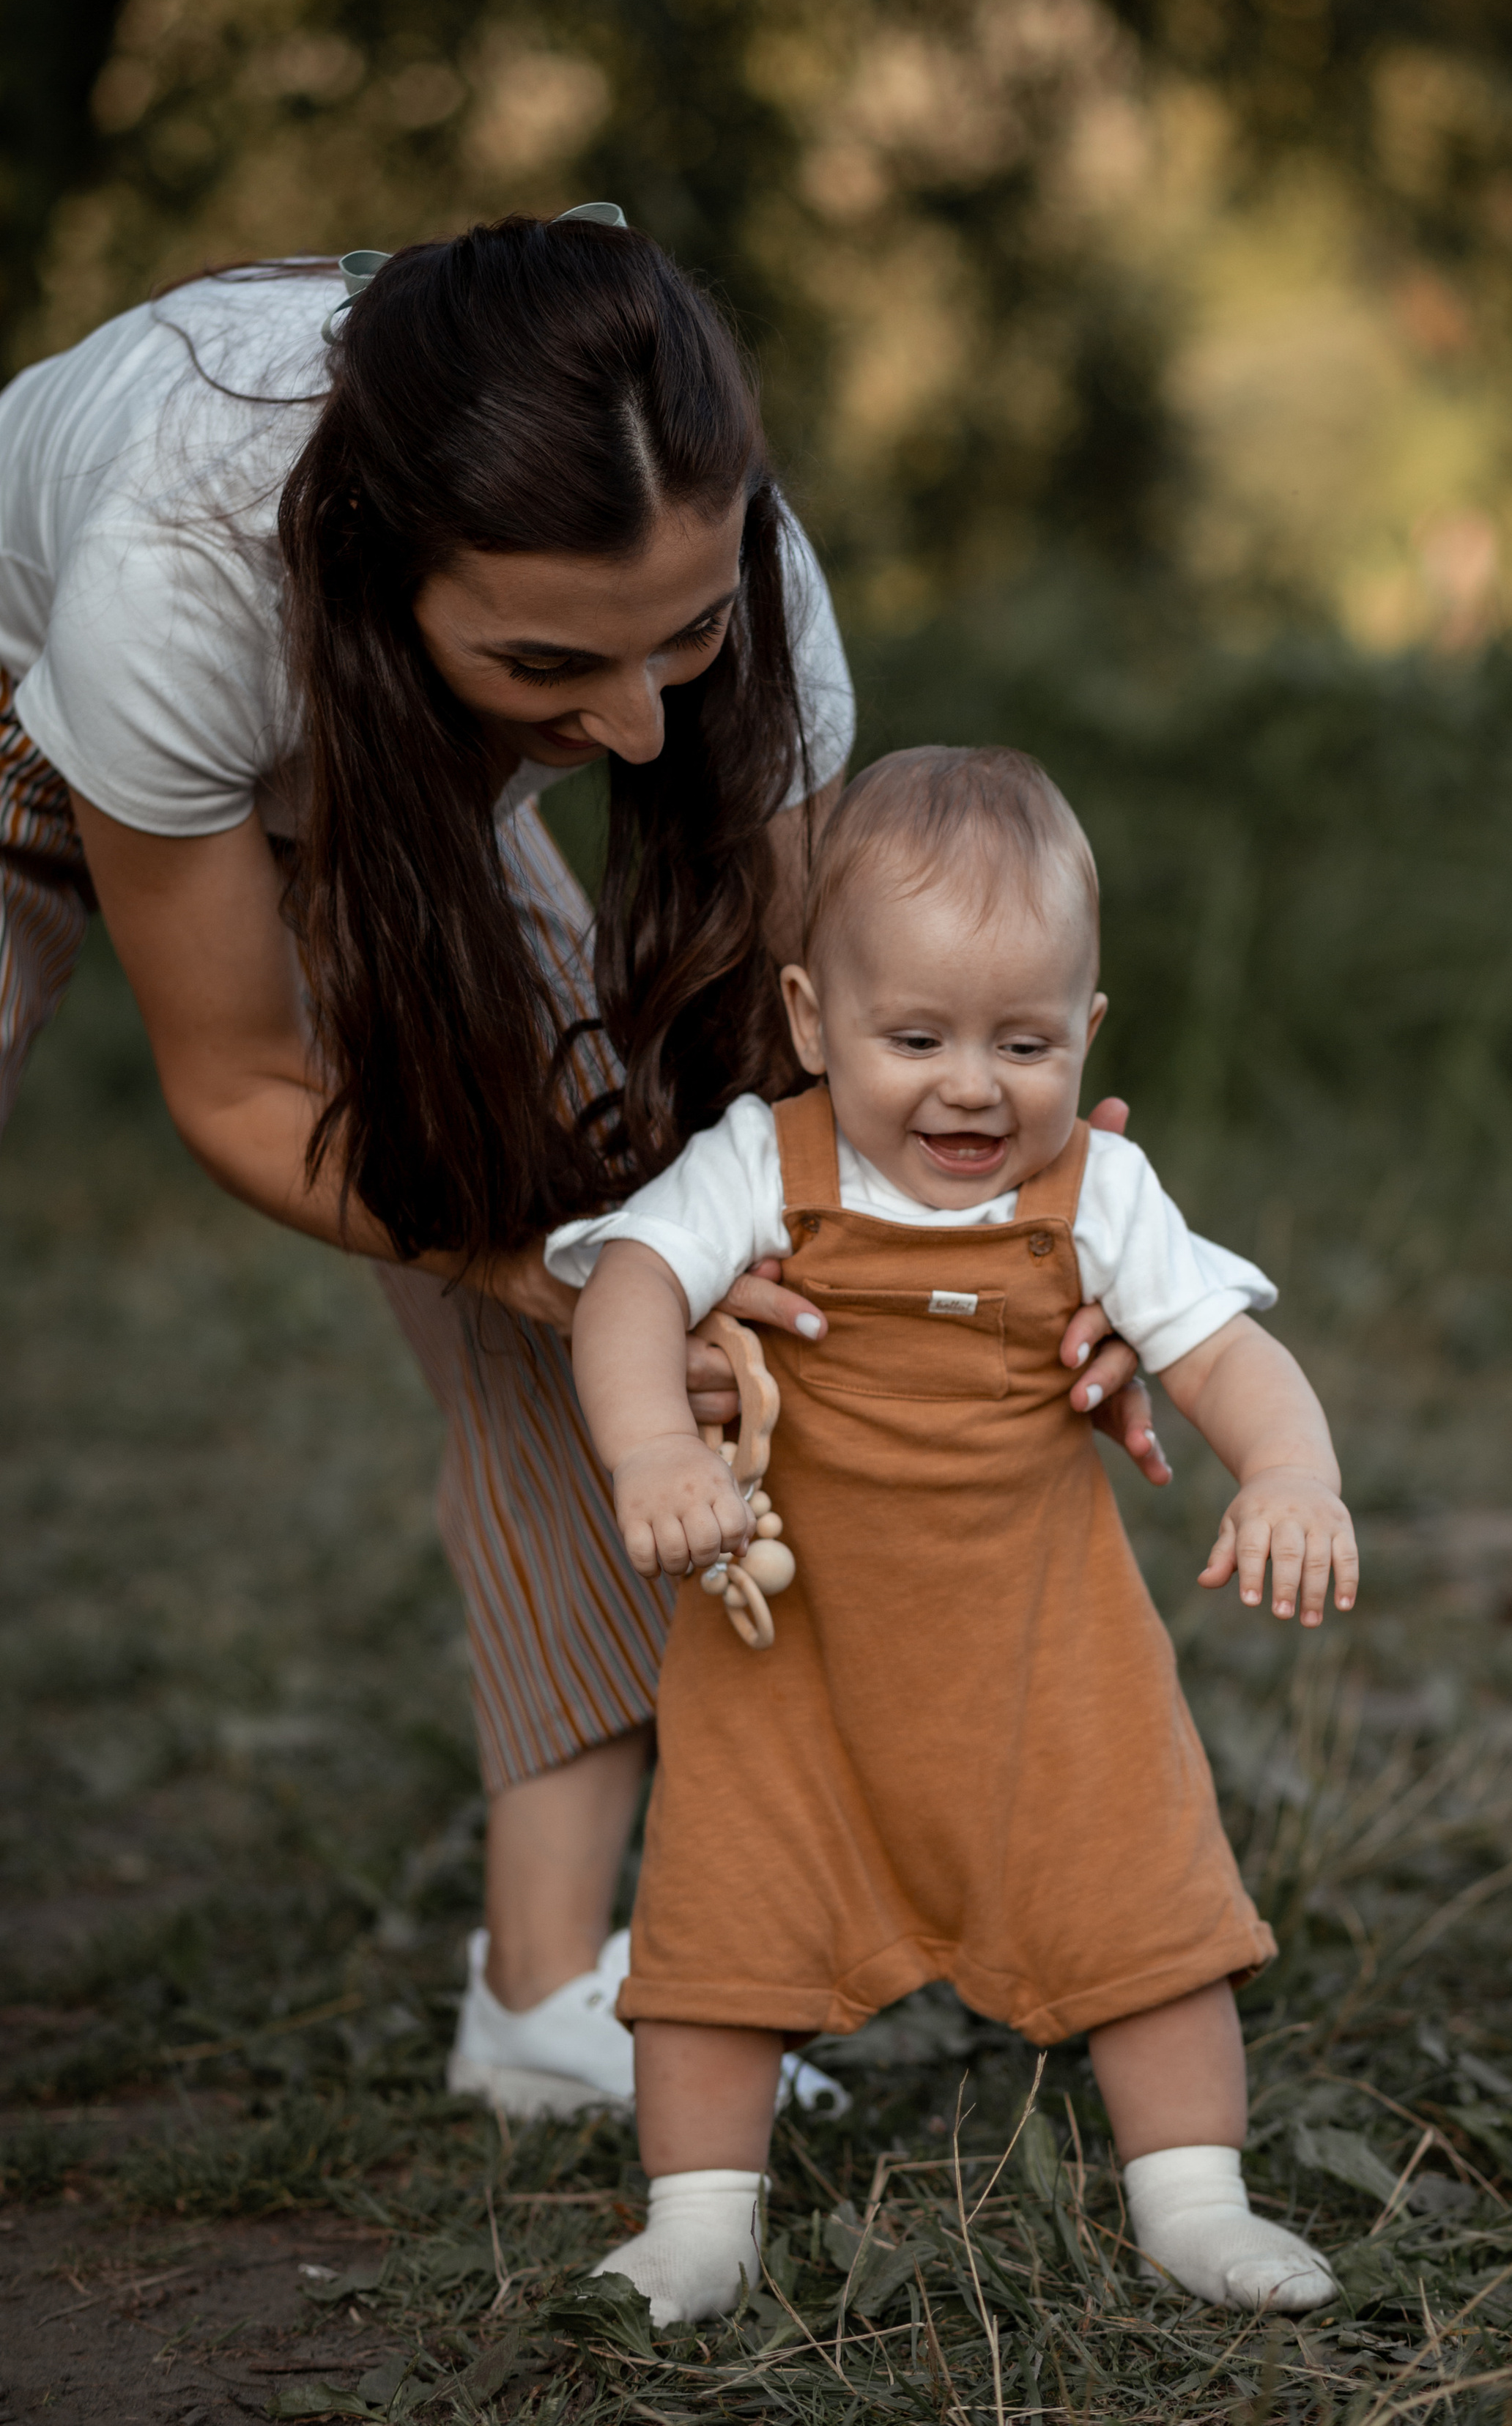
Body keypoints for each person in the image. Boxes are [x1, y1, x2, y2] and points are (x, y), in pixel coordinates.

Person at [0, 210, 1162, 2115]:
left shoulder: (727, 552)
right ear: (389, 573)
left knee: (634, 1238)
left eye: (681, 641)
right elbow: (237, 1086)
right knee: (574, 1259)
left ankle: (544, 1996)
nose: (635, 727)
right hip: (29, 695)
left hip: (378, 757)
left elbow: (811, 1074)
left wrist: (1032, 1236)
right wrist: (525, 1257)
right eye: (555, 656)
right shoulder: (178, 567)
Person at [544, 744, 1360, 2323]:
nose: (971, 1084)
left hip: (1046, 1659)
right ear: (808, 1023)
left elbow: (1220, 1354)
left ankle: (1193, 2200)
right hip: (793, 1663)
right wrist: (651, 1445)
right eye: (912, 1036)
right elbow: (631, 1286)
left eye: (1023, 1040)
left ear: (1090, 1033)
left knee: (1148, 1915)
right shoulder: (757, 1164)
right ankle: (696, 2224)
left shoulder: (1098, 1190)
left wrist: (1288, 1475)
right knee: (721, 1924)